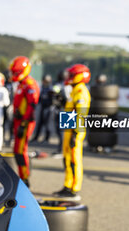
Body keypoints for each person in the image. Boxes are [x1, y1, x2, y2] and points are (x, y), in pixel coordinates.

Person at [53, 64, 91, 200]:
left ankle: (75, 189)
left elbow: (81, 113)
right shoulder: (74, 90)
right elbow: (72, 109)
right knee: (67, 159)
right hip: (69, 128)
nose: (69, 77)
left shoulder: (81, 91)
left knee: (75, 160)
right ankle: (67, 185)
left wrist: (75, 134)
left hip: (75, 130)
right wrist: (62, 102)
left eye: (72, 75)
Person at [9, 56, 40, 187]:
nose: (14, 75)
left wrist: (23, 124)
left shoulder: (29, 84)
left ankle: (25, 179)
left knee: (21, 151)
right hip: (18, 121)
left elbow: (32, 106)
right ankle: (22, 176)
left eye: (16, 72)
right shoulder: (22, 84)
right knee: (17, 150)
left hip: (25, 122)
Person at [51, 70, 69, 155]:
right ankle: (63, 150)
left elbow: (54, 91)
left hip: (65, 110)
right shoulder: (69, 85)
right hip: (66, 111)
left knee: (63, 132)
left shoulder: (63, 85)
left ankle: (62, 150)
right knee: (64, 132)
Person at [32, 74, 53, 143]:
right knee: (39, 123)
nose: (44, 83)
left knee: (48, 124)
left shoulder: (51, 88)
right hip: (43, 107)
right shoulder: (42, 88)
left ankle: (47, 138)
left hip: (49, 108)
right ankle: (36, 137)